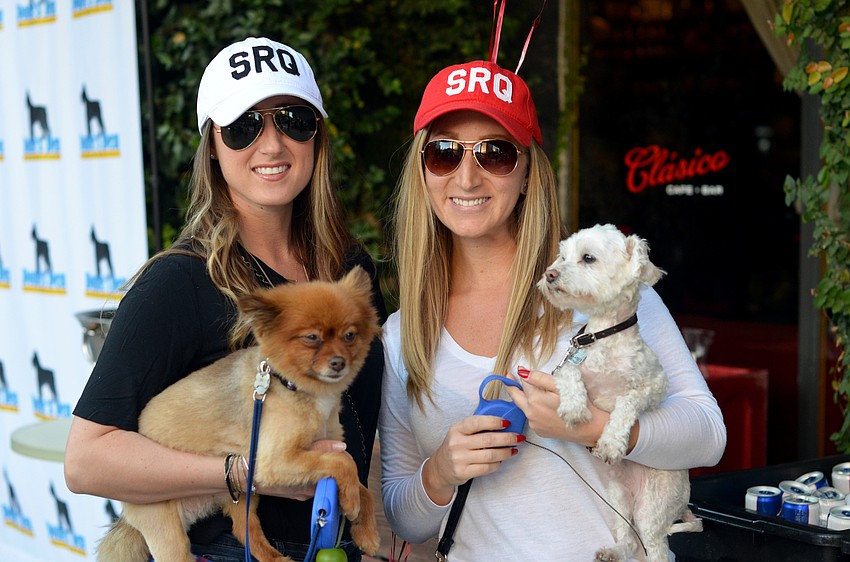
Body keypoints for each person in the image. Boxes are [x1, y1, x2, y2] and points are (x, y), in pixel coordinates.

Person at [378, 55, 727, 560]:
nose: (467, 178)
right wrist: (441, 471)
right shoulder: (403, 333)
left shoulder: (604, 292)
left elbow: (708, 434)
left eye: (495, 153)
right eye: (445, 153)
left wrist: (592, 428)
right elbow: (404, 519)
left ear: (526, 172)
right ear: (423, 171)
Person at [64, 37, 386, 562]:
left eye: (294, 120)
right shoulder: (179, 283)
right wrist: (243, 472)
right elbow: (86, 461)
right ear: (212, 146)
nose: (272, 145)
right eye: (243, 127)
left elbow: (368, 418)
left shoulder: (349, 271)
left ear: (317, 137)